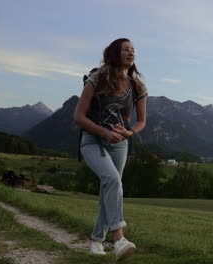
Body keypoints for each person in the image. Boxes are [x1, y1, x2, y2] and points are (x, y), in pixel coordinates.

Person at [74, 38, 147, 261]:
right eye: (126, 49)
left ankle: (96, 240)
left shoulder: (138, 86)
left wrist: (130, 132)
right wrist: (104, 132)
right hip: (93, 141)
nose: (131, 52)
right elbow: (78, 117)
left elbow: (141, 121)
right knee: (113, 181)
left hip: (119, 145)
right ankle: (119, 239)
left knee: (110, 188)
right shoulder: (97, 79)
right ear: (115, 53)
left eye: (133, 49)